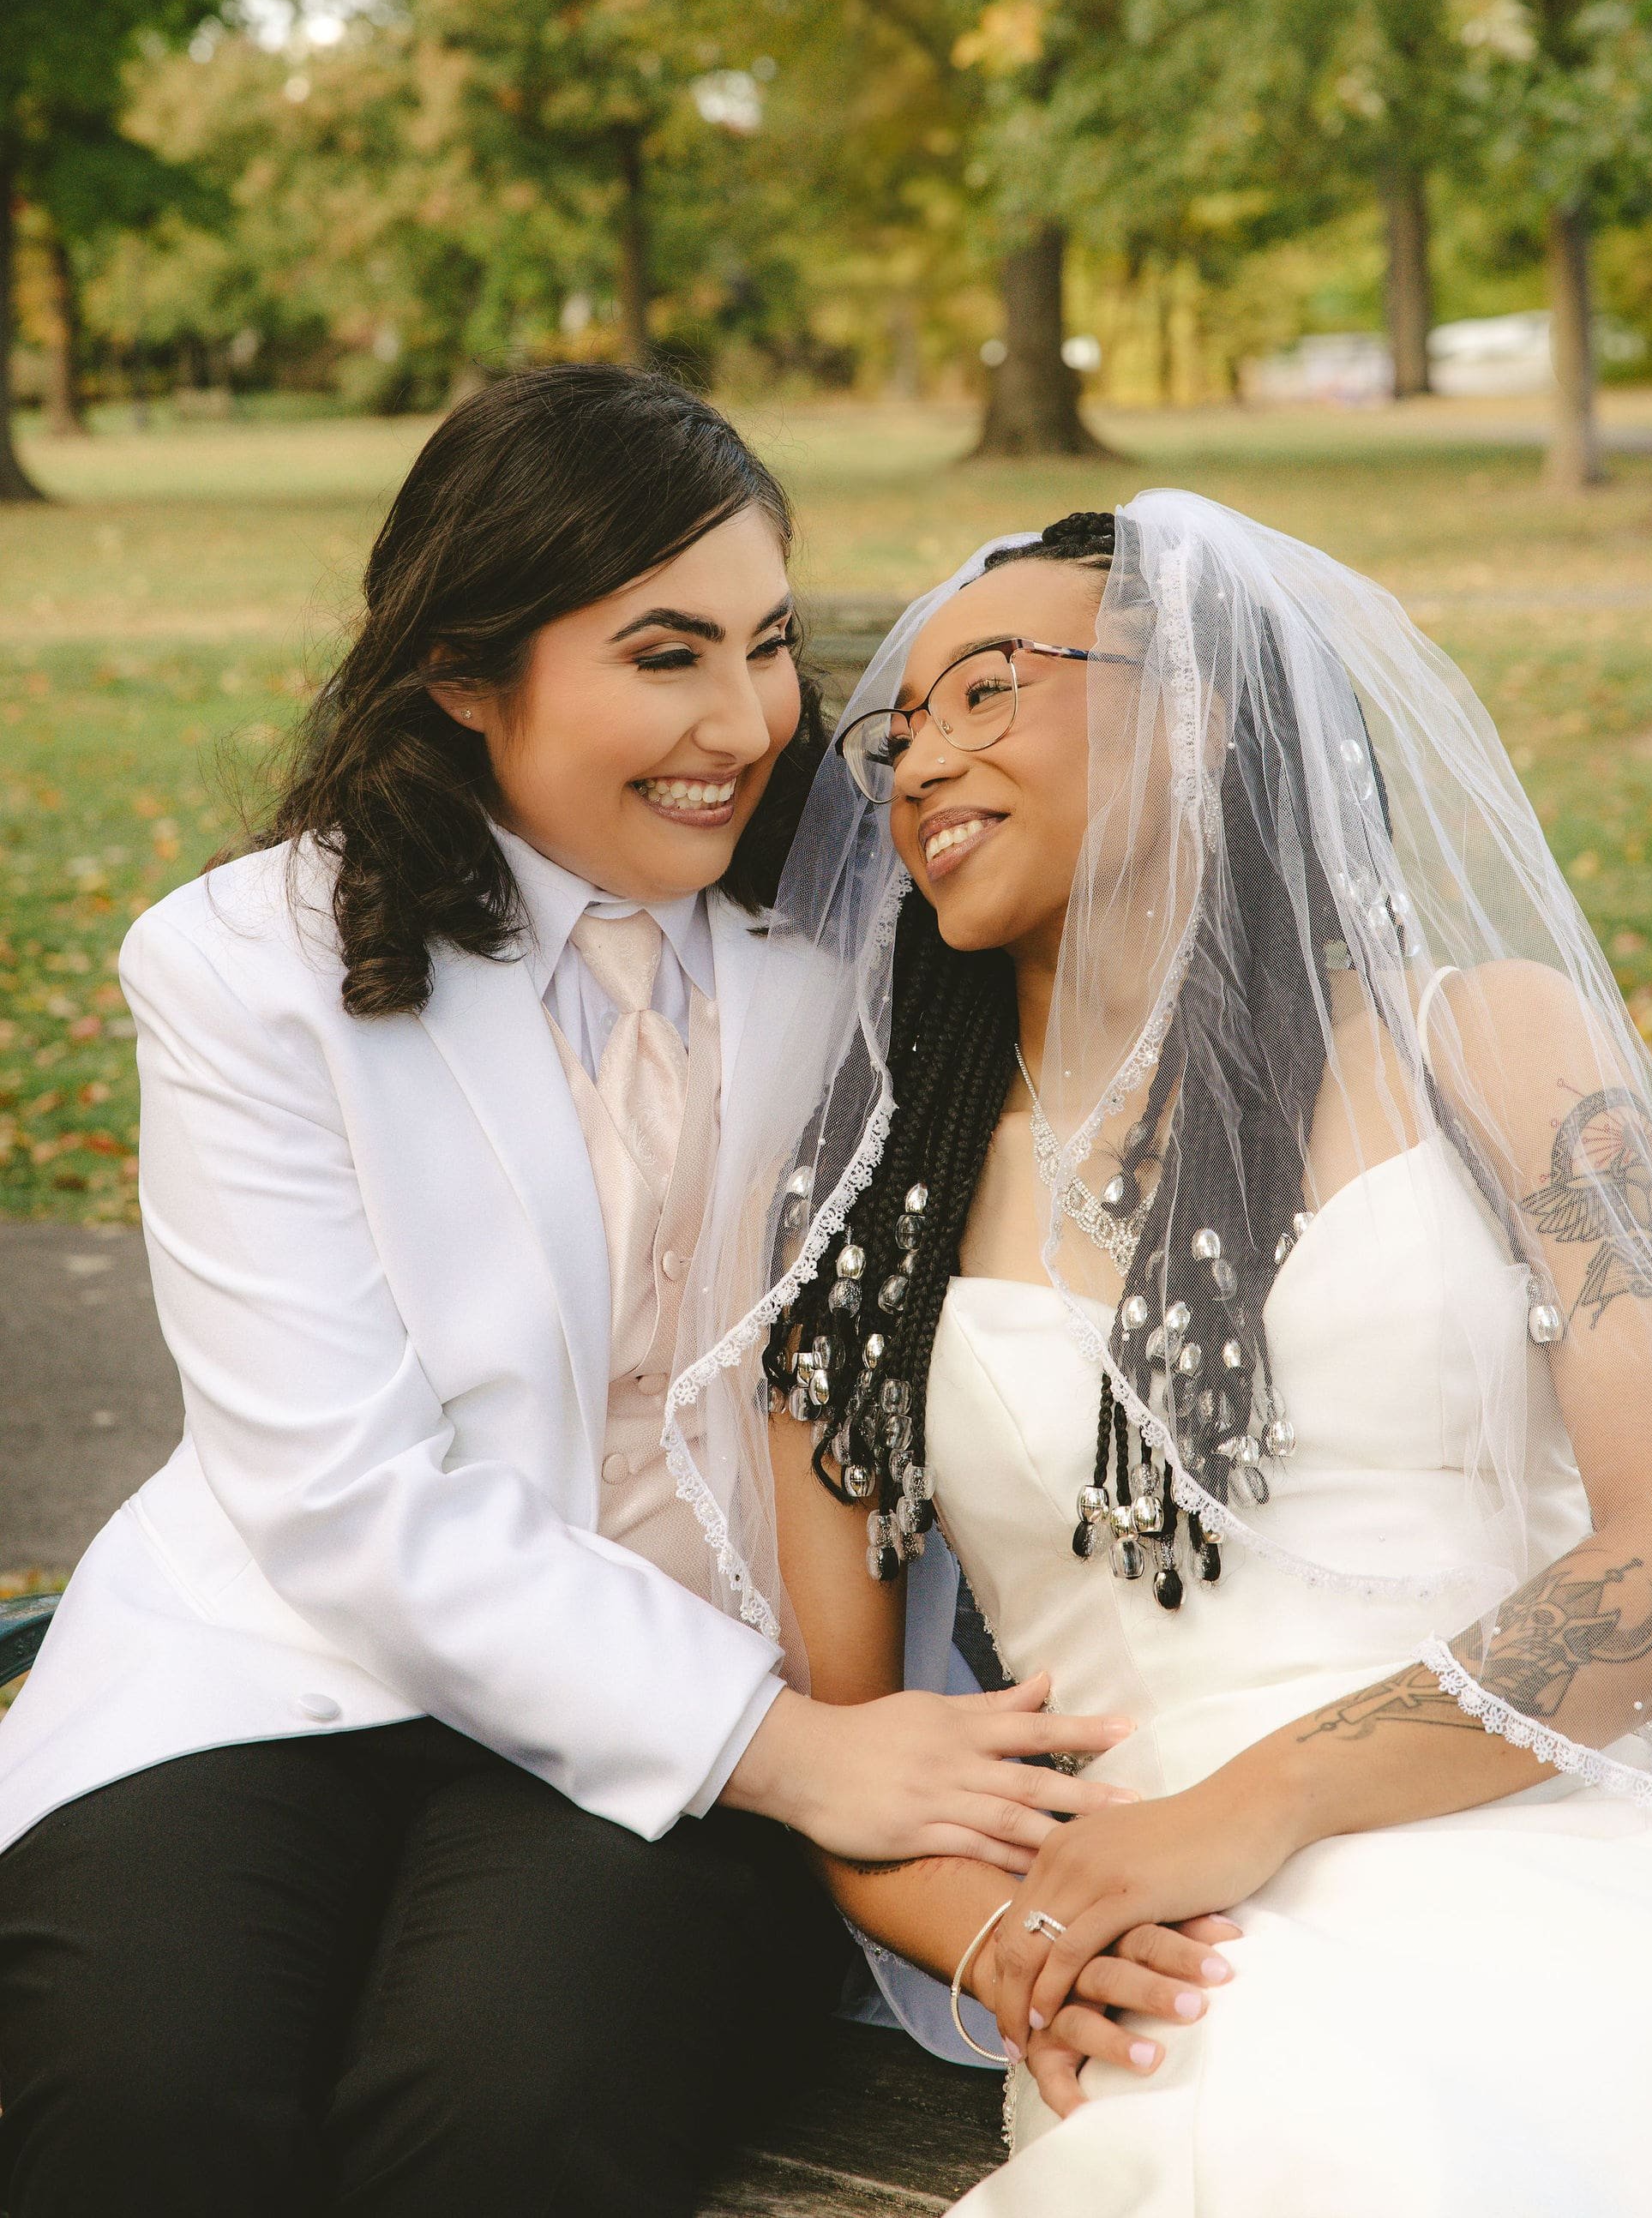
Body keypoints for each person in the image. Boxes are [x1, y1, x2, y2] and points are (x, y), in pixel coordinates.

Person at [0, 370, 1129, 2218]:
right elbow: (338, 1498)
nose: (743, 723)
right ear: (463, 672)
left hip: (699, 1685)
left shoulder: (869, 924)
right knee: (147, 2100)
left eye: (769, 646)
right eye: (664, 656)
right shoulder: (244, 966)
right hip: (286, 1660)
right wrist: (799, 1754)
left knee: (500, 2122)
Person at [668, 493, 1652, 2215]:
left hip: (1558, 1827)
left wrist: (1269, 1800)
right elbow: (854, 1755)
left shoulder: (1488, 1044)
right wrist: (1033, 1941)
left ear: (1203, 710)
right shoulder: (869, 1207)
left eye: (990, 689)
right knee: (1285, 2137)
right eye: (900, 729)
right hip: (1173, 1946)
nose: (921, 762)